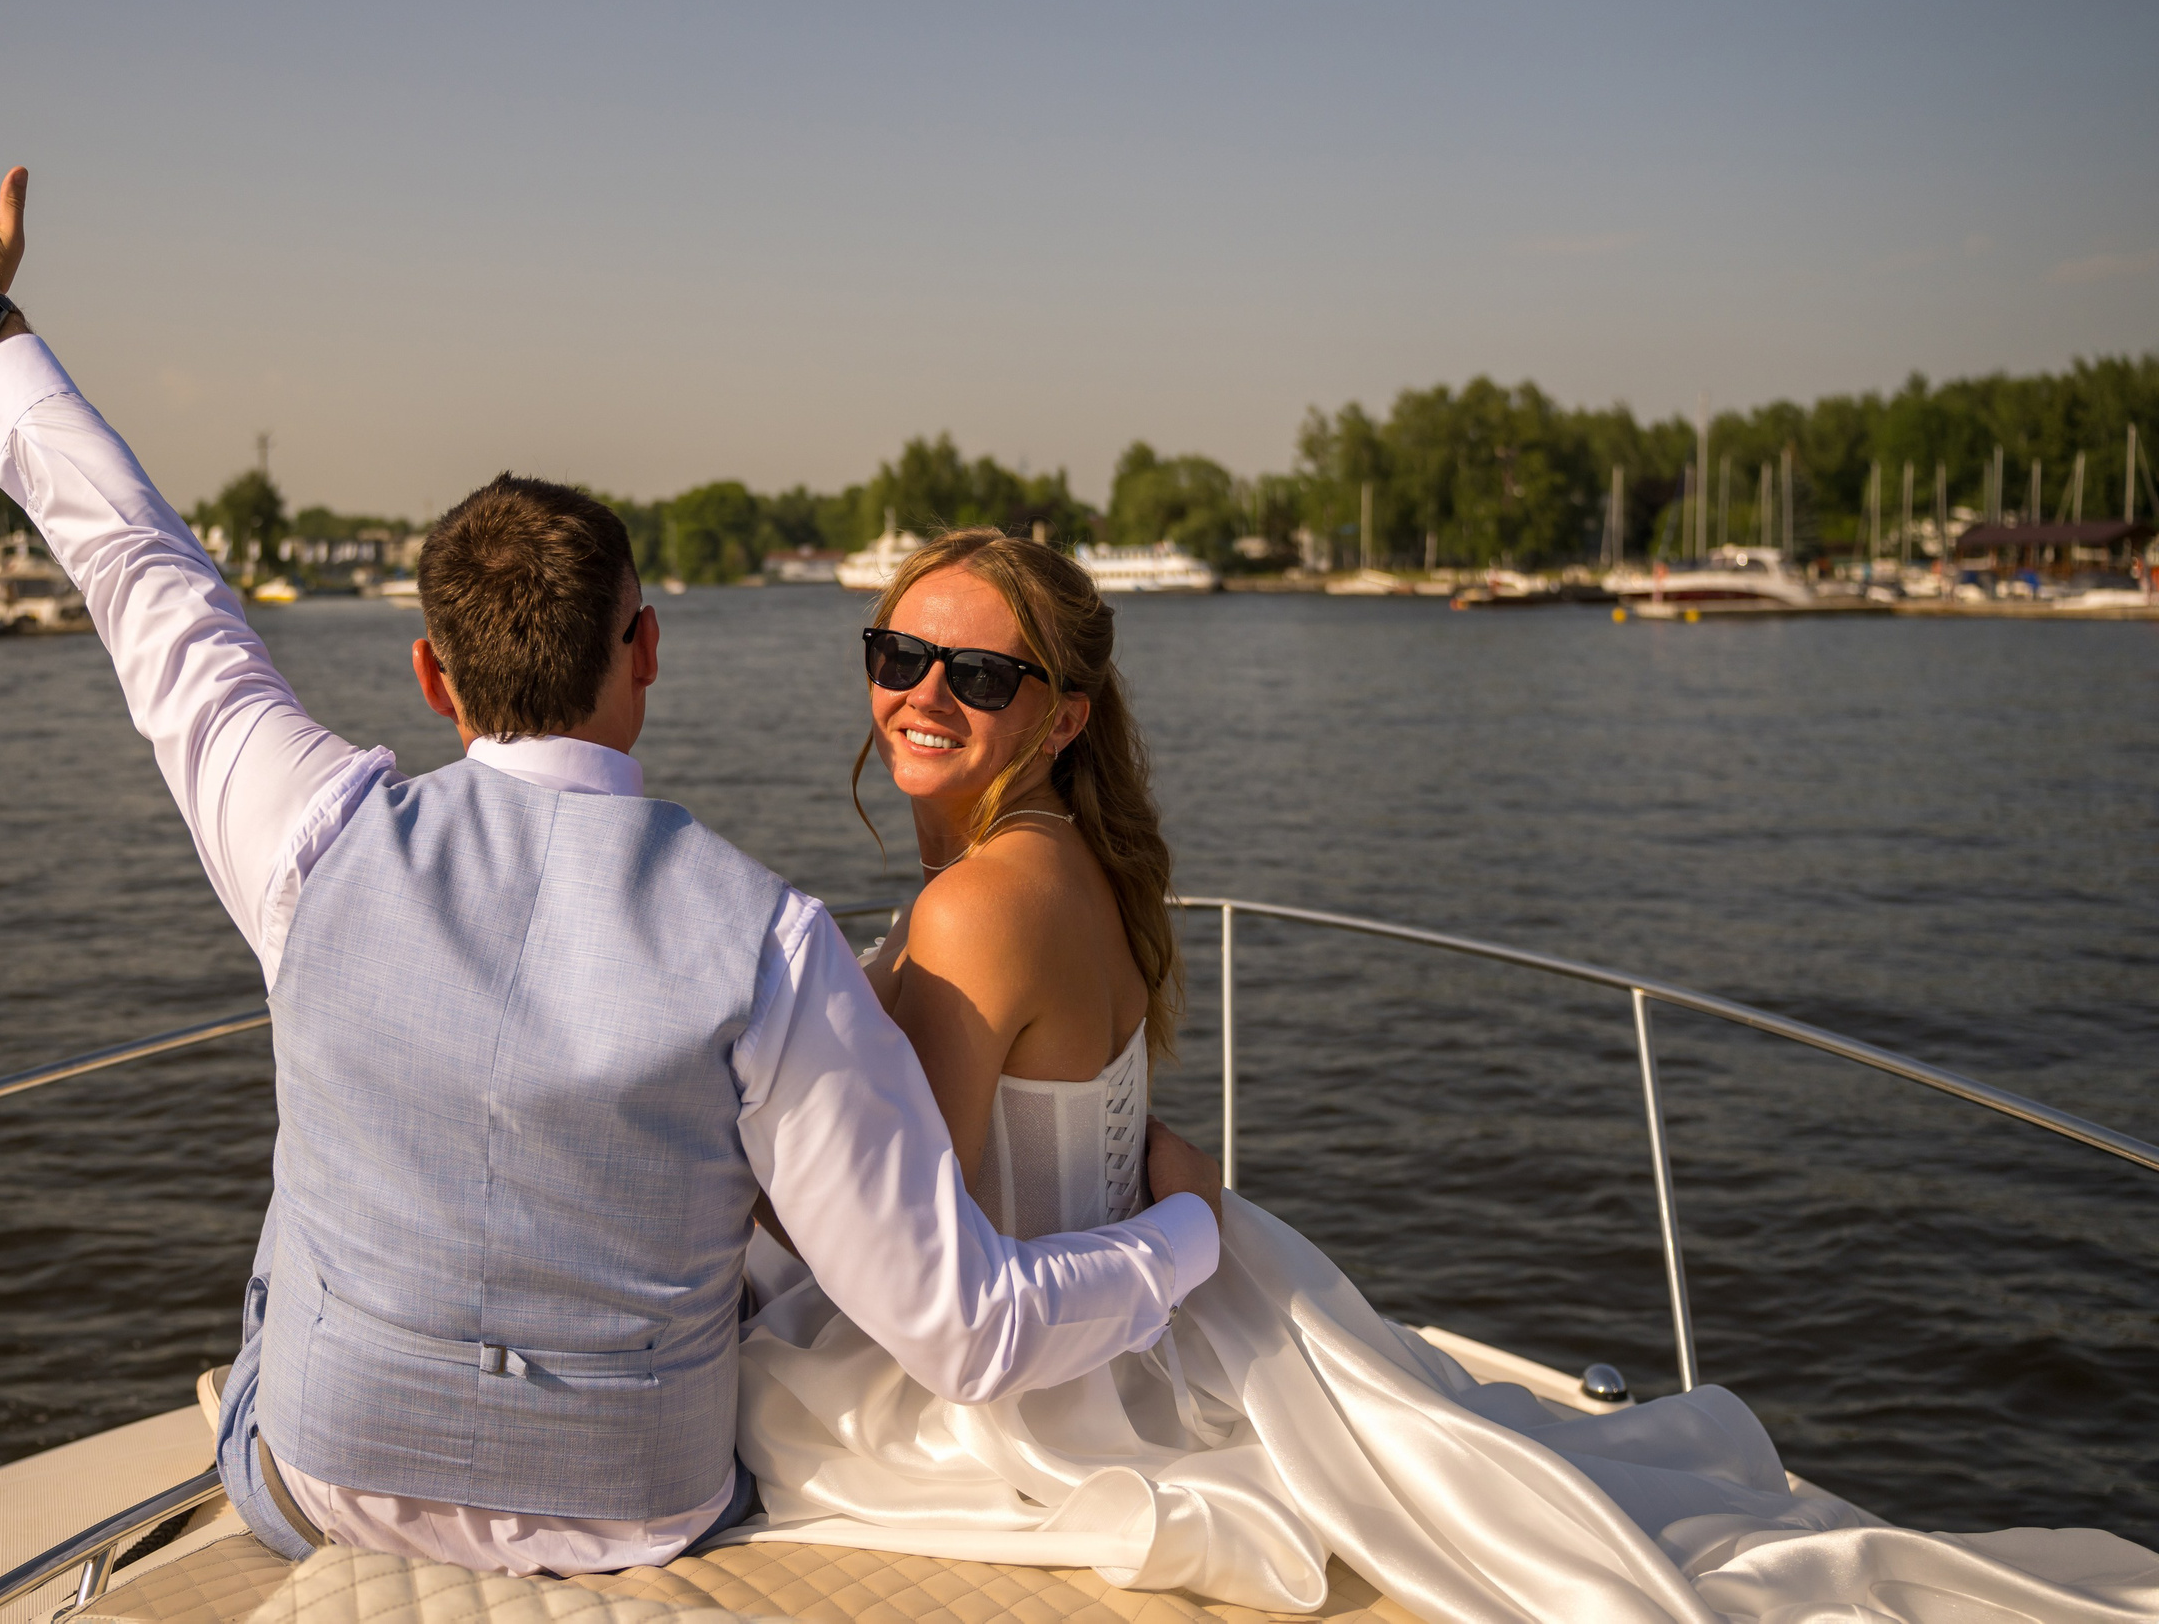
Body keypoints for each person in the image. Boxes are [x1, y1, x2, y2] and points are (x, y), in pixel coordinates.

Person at [0, 169, 1229, 1577]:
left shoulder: (310, 838)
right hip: (641, 1507)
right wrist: (1190, 1230)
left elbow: (144, 576)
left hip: (324, 1478)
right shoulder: (768, 941)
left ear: (430, 676)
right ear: (644, 652)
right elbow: (966, 1327)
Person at [736, 529, 2159, 1623]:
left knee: (728, 1393)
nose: (922, 695)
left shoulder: (978, 904)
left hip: (1032, 1374)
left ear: (1063, 718)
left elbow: (882, 1234)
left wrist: (740, 1121)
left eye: (979, 674)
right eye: (896, 654)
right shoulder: (1075, 868)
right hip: (1139, 1302)